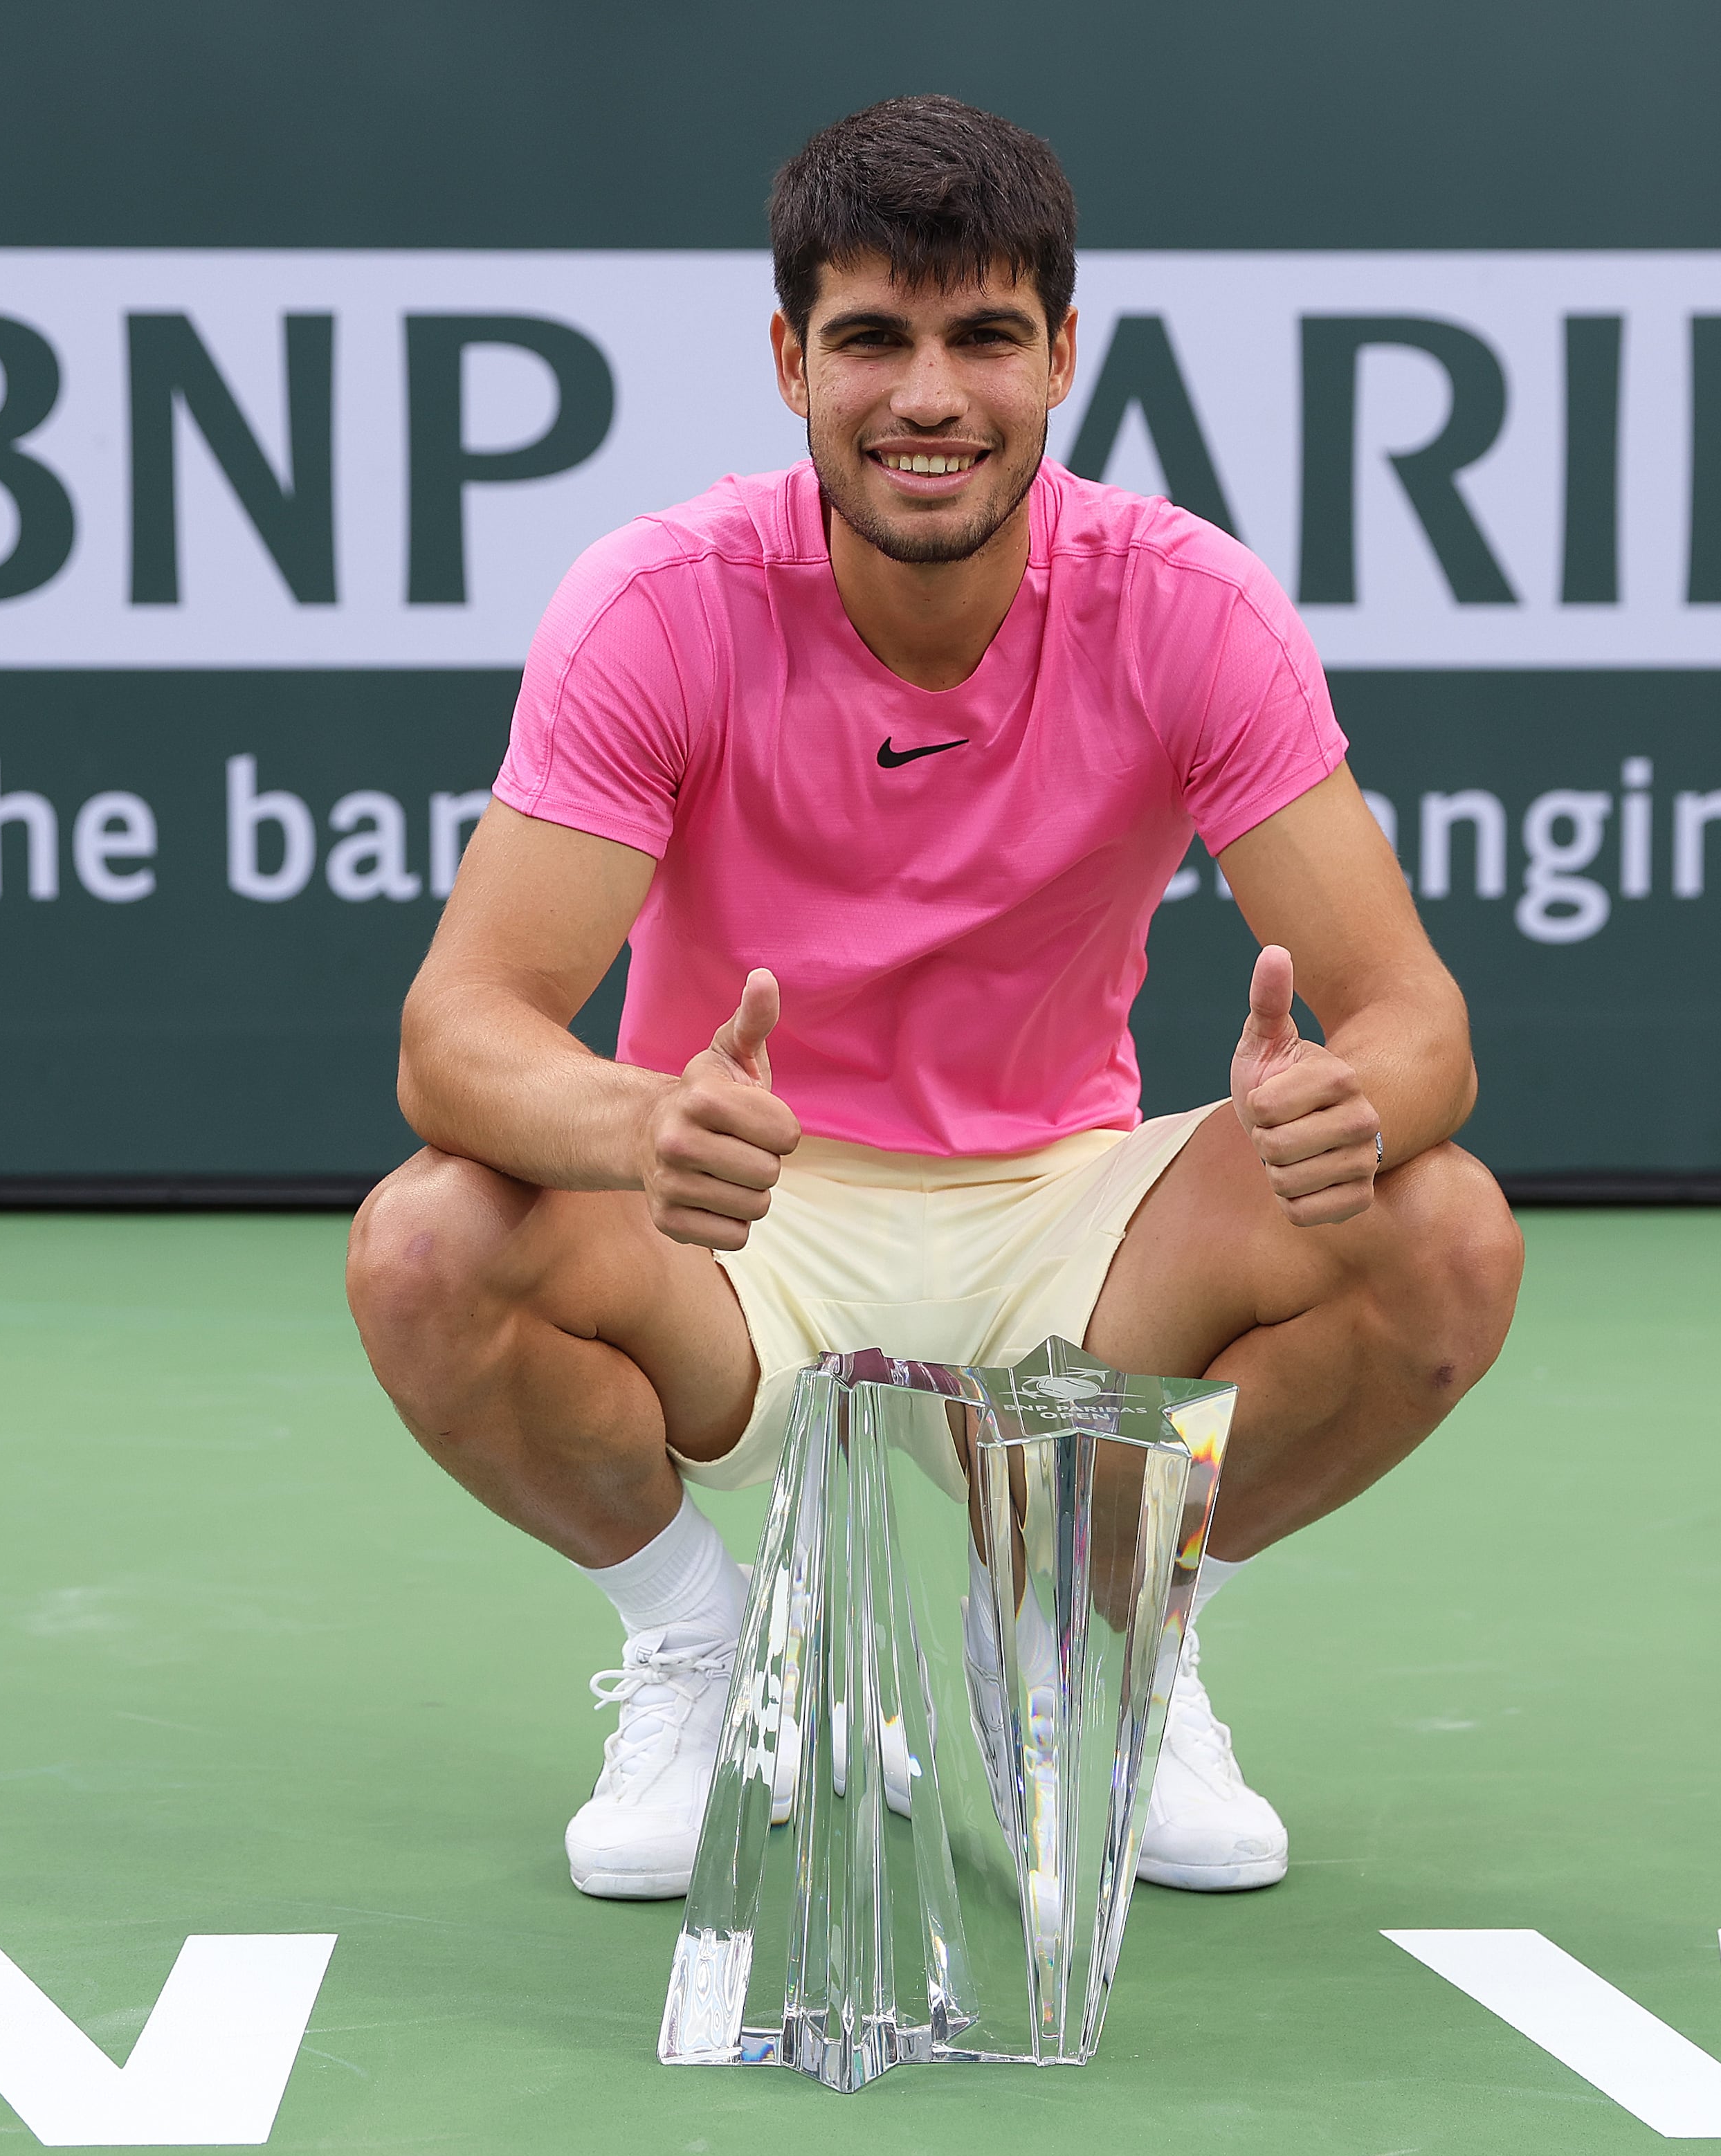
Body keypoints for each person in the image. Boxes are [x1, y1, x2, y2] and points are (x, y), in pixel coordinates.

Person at [347, 94, 1522, 1901]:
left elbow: (1415, 1018)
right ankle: (713, 1651)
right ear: (788, 361)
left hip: (1072, 1223)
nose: (928, 395)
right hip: (738, 1231)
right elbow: (461, 1033)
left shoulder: (1187, 605)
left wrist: (1355, 1101)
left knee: (1443, 1234)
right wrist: (639, 1120)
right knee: (427, 1247)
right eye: (872, 339)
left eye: (981, 335)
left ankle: (1096, 1624)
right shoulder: (660, 604)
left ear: (1060, 352)